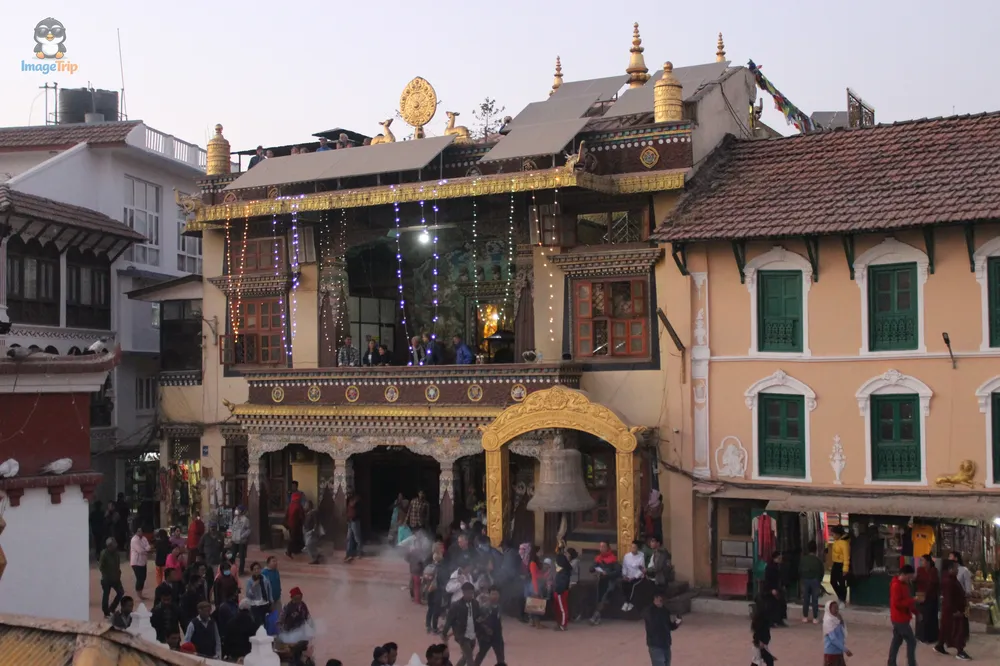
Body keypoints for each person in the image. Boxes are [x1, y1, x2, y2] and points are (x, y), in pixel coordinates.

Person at [935, 560, 972, 660]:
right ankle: (960, 651)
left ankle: (940, 646)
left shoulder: (952, 579)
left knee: (946, 628)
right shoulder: (948, 581)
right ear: (950, 569)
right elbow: (948, 598)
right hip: (953, 611)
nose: (957, 570)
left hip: (951, 610)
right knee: (958, 631)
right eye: (956, 568)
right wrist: (955, 611)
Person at [442, 582, 479, 666]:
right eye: (468, 593)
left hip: (472, 635)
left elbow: (478, 618)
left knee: (465, 657)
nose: (470, 595)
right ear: (463, 592)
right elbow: (449, 621)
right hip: (462, 636)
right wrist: (444, 633)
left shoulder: (475, 604)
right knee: (469, 658)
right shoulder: (456, 606)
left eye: (471, 593)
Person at [888, 564, 918, 666]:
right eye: (909, 577)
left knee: (897, 641)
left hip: (901, 617)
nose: (910, 579)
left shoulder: (904, 585)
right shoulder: (896, 585)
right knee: (911, 641)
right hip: (899, 619)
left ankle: (891, 663)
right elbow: (898, 604)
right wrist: (912, 600)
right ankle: (911, 663)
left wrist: (915, 611)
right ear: (904, 574)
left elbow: (907, 600)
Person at [644, 588, 681, 666]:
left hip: (666, 644)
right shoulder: (649, 611)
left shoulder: (665, 610)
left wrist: (677, 622)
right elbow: (654, 624)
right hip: (655, 645)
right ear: (655, 598)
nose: (662, 602)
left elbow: (669, 626)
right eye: (661, 600)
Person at [589, 541, 619, 625]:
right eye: (600, 547)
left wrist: (607, 574)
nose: (601, 548)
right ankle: (597, 617)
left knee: (605, 597)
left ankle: (596, 615)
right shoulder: (598, 558)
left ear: (608, 548)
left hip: (610, 581)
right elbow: (591, 569)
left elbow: (617, 572)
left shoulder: (613, 558)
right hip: (601, 580)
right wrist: (594, 568)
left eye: (603, 547)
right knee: (598, 598)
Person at [474, 585, 505, 665]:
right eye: (493, 594)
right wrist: (486, 629)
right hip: (486, 636)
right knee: (481, 655)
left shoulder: (499, 607)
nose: (495, 596)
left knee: (501, 657)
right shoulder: (484, 608)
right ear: (489, 594)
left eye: (496, 594)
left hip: (497, 636)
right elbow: (477, 622)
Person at [915, 553, 939, 644]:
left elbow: (933, 583)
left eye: (923, 560)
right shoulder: (920, 570)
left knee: (929, 617)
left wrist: (926, 594)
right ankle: (919, 635)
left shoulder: (933, 570)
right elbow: (917, 580)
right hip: (920, 595)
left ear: (928, 562)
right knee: (920, 616)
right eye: (921, 560)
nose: (921, 562)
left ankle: (930, 637)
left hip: (930, 597)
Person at [799, 540, 824, 624]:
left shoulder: (803, 559)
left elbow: (799, 570)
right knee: (815, 600)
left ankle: (805, 616)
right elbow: (822, 571)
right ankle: (815, 617)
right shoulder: (818, 560)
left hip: (805, 580)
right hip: (815, 580)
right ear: (816, 549)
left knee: (806, 599)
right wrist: (819, 580)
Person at [100, 537, 125, 618]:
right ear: (109, 546)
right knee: (106, 595)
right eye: (114, 545)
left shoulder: (116, 553)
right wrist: (106, 575)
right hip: (107, 579)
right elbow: (101, 567)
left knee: (121, 592)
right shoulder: (104, 554)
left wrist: (118, 573)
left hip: (116, 578)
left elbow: (117, 564)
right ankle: (106, 612)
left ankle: (112, 608)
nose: (116, 546)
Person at [761, 551, 787, 628]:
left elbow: (781, 577)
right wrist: (771, 589)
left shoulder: (780, 566)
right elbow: (768, 579)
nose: (780, 559)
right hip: (771, 588)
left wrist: (783, 585)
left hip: (778, 587)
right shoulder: (770, 567)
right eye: (779, 558)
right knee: (772, 605)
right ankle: (771, 621)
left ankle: (779, 620)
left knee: (781, 604)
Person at [822, 599, 852, 665]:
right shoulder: (828, 622)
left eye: (837, 608)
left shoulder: (836, 620)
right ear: (829, 609)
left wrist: (841, 620)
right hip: (831, 653)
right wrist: (845, 649)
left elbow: (843, 631)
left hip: (838, 652)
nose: (836, 610)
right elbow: (833, 639)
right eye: (834, 608)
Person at [621, 540, 646, 612]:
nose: (632, 549)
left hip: (637, 577)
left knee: (632, 585)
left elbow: (641, 570)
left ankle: (629, 602)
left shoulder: (641, 557)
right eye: (631, 547)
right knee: (623, 583)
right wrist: (624, 575)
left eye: (634, 547)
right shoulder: (626, 556)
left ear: (637, 548)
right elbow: (624, 567)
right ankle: (626, 601)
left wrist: (634, 577)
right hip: (628, 576)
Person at [245, 561, 273, 626]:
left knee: (265, 622)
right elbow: (248, 595)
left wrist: (271, 600)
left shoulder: (265, 578)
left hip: (265, 603)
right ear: (252, 571)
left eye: (258, 568)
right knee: (258, 623)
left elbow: (269, 589)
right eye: (254, 569)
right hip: (255, 605)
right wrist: (253, 586)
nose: (257, 571)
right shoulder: (250, 581)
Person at [424, 551, 444, 633]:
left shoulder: (429, 567)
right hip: (437, 591)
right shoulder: (441, 569)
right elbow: (442, 580)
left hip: (429, 590)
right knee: (436, 610)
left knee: (430, 609)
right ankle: (435, 628)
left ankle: (428, 626)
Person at [751, 597, 775, 666]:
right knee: (760, 661)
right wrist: (759, 641)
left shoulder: (765, 615)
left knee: (760, 660)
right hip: (760, 643)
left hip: (763, 642)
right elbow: (757, 630)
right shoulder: (760, 616)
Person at [829, 526, 850, 605]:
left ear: (838, 534)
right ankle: (840, 597)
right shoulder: (836, 541)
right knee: (833, 581)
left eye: (833, 534)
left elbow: (846, 556)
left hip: (842, 564)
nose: (832, 536)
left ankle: (843, 600)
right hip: (835, 564)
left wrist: (845, 568)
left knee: (842, 583)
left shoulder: (844, 543)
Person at [553, 546, 572, 631]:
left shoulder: (563, 572)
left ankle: (563, 625)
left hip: (561, 592)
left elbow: (562, 583)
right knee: (559, 608)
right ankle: (560, 623)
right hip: (558, 591)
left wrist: (558, 590)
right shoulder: (561, 571)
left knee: (562, 609)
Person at [129, 526, 150, 600]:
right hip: (136, 562)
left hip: (143, 561)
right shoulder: (134, 540)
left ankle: (140, 593)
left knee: (143, 577)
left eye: (141, 531)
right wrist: (146, 550)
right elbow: (140, 551)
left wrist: (146, 549)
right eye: (138, 531)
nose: (140, 532)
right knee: (139, 578)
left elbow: (148, 546)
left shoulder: (144, 538)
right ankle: (139, 594)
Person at [231, 506, 251, 575]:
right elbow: (233, 528)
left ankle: (241, 571)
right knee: (232, 556)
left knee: (242, 557)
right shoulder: (235, 519)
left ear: (241, 511)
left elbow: (248, 530)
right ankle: (232, 569)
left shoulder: (245, 520)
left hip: (242, 541)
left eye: (238, 509)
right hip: (234, 540)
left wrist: (242, 536)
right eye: (236, 509)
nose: (236, 511)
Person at [286, 491, 306, 558]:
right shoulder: (298, 506)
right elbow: (301, 516)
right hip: (297, 525)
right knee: (295, 538)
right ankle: (289, 551)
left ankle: (295, 550)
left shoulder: (290, 505)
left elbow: (287, 515)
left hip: (290, 525)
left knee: (294, 538)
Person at [345, 493, 362, 561]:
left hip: (355, 521)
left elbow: (357, 512)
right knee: (349, 538)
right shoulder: (349, 501)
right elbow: (348, 511)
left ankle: (359, 553)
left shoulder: (357, 502)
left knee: (357, 538)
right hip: (350, 521)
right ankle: (349, 553)